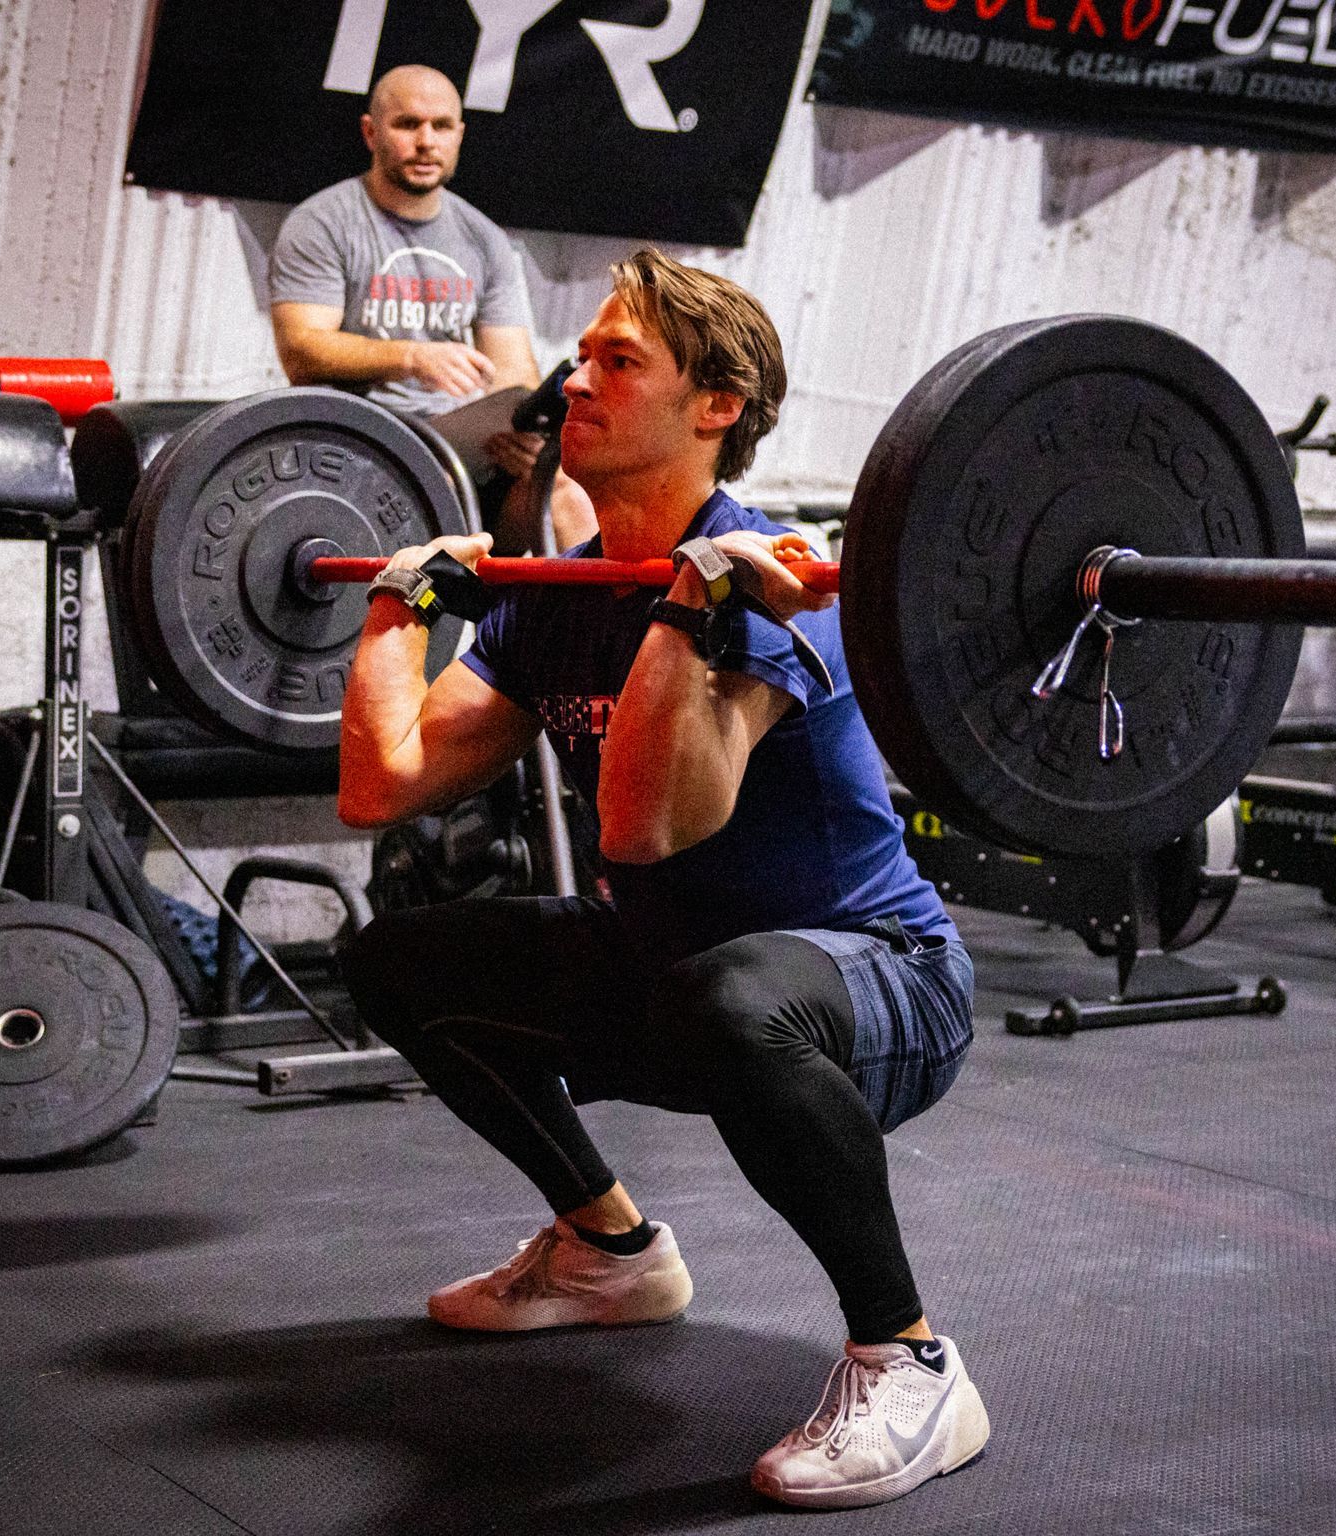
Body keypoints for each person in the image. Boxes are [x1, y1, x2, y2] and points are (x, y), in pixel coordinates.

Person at [337, 248, 986, 1512]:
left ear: (718, 406)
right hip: (684, 973)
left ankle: (911, 1362)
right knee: (398, 958)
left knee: (733, 999)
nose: (575, 378)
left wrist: (693, 614)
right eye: (580, 355)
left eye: (618, 361)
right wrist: (391, 615)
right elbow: (384, 783)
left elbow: (644, 829)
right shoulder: (567, 595)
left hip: (880, 986)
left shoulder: (766, 580)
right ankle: (609, 1250)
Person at [269, 63, 593, 553]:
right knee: (431, 477)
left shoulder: (484, 239)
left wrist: (524, 436)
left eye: (441, 126)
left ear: (459, 134)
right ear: (370, 132)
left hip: (466, 451)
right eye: (407, 124)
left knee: (563, 482)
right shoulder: (323, 222)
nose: (426, 141)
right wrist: (413, 357)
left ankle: (585, 629)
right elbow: (302, 351)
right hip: (363, 445)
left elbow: (513, 372)